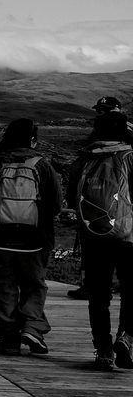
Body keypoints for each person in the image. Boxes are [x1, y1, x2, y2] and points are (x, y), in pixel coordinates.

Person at [0, 119, 64, 356]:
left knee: (3, 285)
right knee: (34, 284)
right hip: (35, 240)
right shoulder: (42, 165)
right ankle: (32, 327)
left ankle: (9, 334)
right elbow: (56, 204)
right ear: (32, 139)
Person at [67, 110, 133, 371]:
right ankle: (126, 337)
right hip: (128, 235)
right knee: (131, 290)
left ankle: (103, 349)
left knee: (98, 295)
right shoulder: (129, 156)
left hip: (93, 236)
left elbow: (73, 199)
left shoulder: (83, 159)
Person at [70, 97, 124, 299]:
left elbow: (77, 174)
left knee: (92, 249)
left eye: (103, 110)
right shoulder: (127, 135)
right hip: (123, 208)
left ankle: (92, 287)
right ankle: (115, 285)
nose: (100, 113)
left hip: (93, 206)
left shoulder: (94, 145)